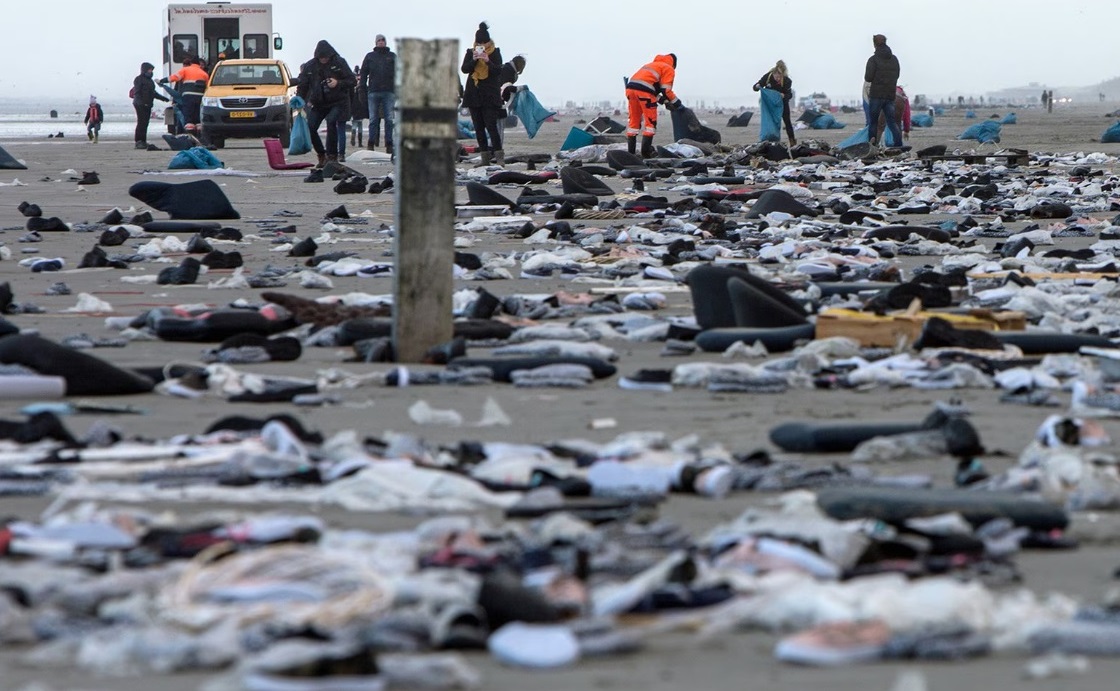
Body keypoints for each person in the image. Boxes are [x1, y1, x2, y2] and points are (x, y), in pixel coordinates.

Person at [296, 40, 356, 167]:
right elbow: (303, 85)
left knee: (331, 121)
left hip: (338, 101)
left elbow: (352, 80)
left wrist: (338, 83)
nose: (323, 60)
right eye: (321, 58)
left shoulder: (339, 62)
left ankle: (332, 156)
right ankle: (321, 155)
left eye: (326, 58)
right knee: (310, 127)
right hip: (319, 102)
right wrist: (299, 99)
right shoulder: (310, 66)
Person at [461, 22, 505, 165]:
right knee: (478, 128)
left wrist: (487, 61)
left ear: (488, 41)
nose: (481, 46)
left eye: (484, 43)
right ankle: (485, 158)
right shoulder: (470, 52)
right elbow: (464, 69)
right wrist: (474, 60)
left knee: (491, 126)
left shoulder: (495, 52)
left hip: (490, 96)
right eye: (479, 43)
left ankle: (499, 158)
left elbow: (498, 71)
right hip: (474, 95)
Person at [624, 53, 681, 158]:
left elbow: (650, 89)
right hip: (644, 93)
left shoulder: (652, 65)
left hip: (630, 90)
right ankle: (645, 152)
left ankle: (630, 154)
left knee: (634, 122)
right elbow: (666, 90)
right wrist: (677, 103)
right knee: (650, 123)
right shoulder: (668, 68)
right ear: (674, 63)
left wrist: (664, 101)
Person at [864, 34, 901, 150]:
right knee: (892, 122)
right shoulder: (894, 59)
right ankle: (899, 145)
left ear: (874, 44)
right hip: (890, 95)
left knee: (873, 122)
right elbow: (897, 75)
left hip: (876, 95)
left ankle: (872, 146)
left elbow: (868, 78)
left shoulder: (873, 60)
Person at [360, 34, 396, 155]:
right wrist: (362, 89)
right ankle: (371, 142)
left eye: (383, 40)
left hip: (389, 91)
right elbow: (364, 73)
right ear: (375, 42)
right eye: (379, 40)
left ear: (385, 42)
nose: (381, 42)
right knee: (373, 119)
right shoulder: (370, 56)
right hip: (373, 91)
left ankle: (389, 143)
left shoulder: (392, 56)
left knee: (389, 119)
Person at [752, 60, 796, 146]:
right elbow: (756, 86)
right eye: (776, 77)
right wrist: (757, 86)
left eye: (780, 77)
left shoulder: (787, 81)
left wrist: (784, 95)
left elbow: (789, 94)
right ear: (773, 74)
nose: (778, 79)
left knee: (787, 122)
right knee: (770, 121)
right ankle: (770, 138)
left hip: (782, 104)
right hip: (769, 105)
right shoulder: (768, 77)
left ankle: (792, 141)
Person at [132, 61, 170, 150]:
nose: (151, 72)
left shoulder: (150, 81)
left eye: (151, 70)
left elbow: (153, 93)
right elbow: (137, 92)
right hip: (140, 104)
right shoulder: (139, 79)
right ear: (144, 70)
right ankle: (139, 141)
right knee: (141, 122)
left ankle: (143, 141)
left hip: (147, 104)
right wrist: (143, 102)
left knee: (145, 123)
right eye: (149, 70)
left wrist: (164, 98)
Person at [166, 56, 209, 130]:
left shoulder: (185, 70)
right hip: (200, 97)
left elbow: (174, 78)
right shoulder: (204, 74)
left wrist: (163, 81)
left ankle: (189, 133)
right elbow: (208, 87)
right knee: (197, 116)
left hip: (188, 97)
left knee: (188, 117)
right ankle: (199, 132)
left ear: (191, 63)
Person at [497, 55, 526, 146]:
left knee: (495, 126)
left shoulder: (506, 68)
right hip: (496, 100)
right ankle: (496, 148)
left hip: (494, 99)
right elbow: (505, 87)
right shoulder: (508, 71)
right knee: (499, 126)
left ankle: (493, 147)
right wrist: (519, 89)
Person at [350, 65, 369, 149]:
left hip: (354, 107)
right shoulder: (362, 88)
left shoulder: (353, 87)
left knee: (355, 124)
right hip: (360, 107)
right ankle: (359, 142)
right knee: (360, 124)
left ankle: (353, 138)